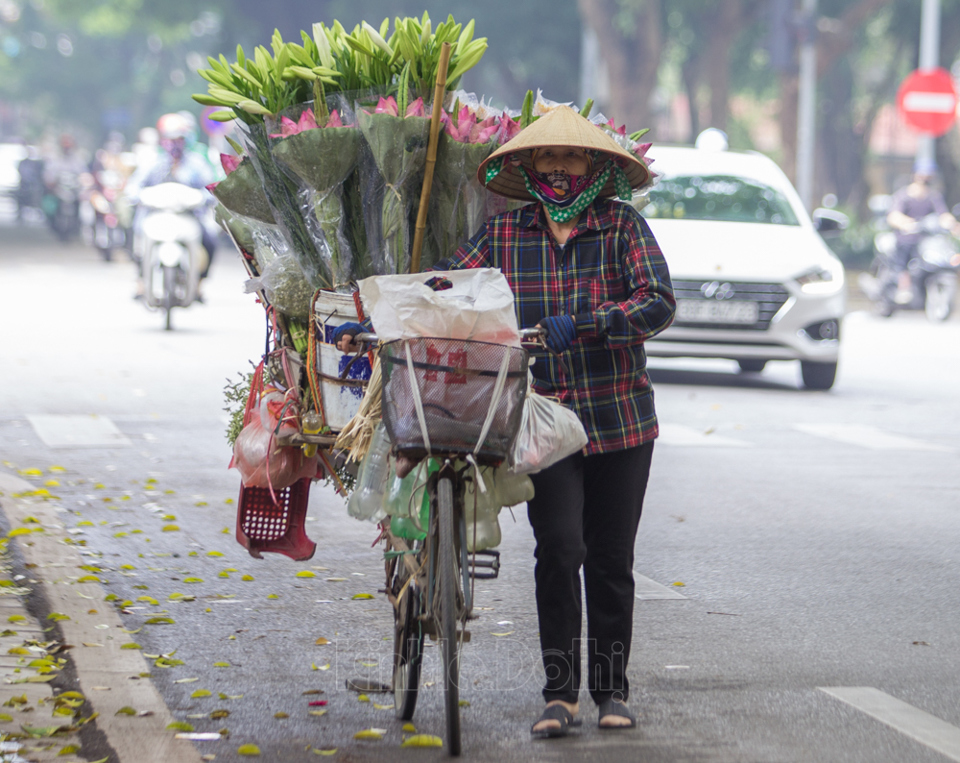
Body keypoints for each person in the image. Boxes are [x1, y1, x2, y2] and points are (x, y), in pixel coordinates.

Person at [336, 105, 676, 736]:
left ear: (594, 165)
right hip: (540, 423)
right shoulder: (505, 235)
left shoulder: (622, 226)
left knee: (609, 557)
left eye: (571, 157)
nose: (559, 167)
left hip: (619, 419)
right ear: (528, 166)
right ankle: (560, 695)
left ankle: (611, 691)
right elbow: (450, 289)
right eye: (547, 158)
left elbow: (657, 302)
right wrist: (383, 317)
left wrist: (595, 322)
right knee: (560, 549)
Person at [126, 113, 217, 295]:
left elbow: (211, 187)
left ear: (186, 140)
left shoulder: (196, 164)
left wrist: (204, 197)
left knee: (211, 241)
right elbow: (134, 186)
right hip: (156, 215)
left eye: (179, 139)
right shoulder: (153, 163)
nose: (174, 144)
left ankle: (199, 282)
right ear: (163, 140)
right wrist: (138, 196)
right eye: (170, 139)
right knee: (135, 235)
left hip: (189, 215)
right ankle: (141, 279)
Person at [886, 160, 960, 304]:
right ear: (915, 175)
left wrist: (953, 225)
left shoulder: (933, 196)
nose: (925, 179)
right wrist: (906, 223)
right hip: (906, 237)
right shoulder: (904, 195)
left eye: (928, 176)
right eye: (923, 175)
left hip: (925, 238)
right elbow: (894, 215)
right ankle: (904, 286)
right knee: (904, 253)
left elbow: (942, 214)